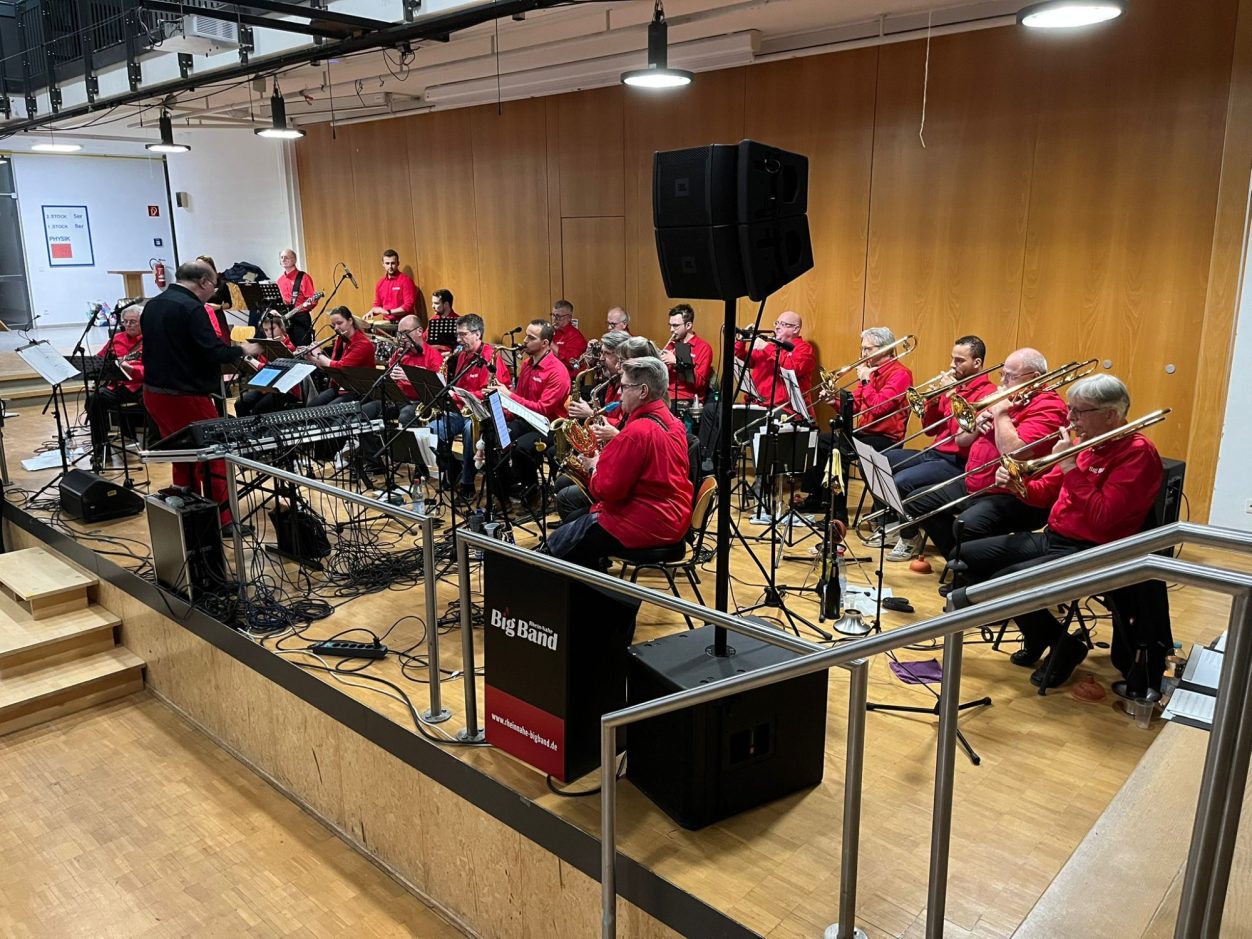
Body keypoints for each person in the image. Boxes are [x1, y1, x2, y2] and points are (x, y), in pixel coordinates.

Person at [955, 375, 1168, 691]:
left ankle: (1064, 647)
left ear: (1111, 414)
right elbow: (1045, 493)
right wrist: (1018, 485)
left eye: (1080, 412)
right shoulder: (1084, 444)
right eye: (1070, 409)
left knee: (1005, 585)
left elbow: (1103, 519)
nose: (1070, 419)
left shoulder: (1137, 453)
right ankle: (1045, 636)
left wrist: (1071, 467)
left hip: (1094, 550)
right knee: (964, 556)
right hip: (1055, 537)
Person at [906, 348, 1068, 560]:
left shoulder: (1050, 407)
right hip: (975, 482)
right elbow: (961, 439)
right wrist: (976, 425)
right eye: (1003, 374)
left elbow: (1014, 453)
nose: (1002, 381)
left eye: (1010, 376)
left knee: (968, 525)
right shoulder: (1005, 397)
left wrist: (1001, 414)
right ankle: (959, 561)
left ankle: (970, 571)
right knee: (915, 501)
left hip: (1010, 493)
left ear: (1035, 378)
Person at [141, 260, 259, 534]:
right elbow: (212, 352)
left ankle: (188, 505)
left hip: (154, 392)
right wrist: (244, 350)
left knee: (183, 452)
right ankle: (223, 520)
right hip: (184, 395)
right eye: (213, 286)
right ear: (204, 283)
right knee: (216, 451)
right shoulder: (192, 308)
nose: (213, 293)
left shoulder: (154, 304)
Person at [546, 357, 693, 570]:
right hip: (673, 518)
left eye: (624, 387)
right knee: (575, 532)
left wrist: (593, 465)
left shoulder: (637, 432)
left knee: (564, 545)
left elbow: (606, 491)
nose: (620, 393)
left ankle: (589, 594)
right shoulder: (674, 423)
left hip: (649, 522)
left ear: (643, 391)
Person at [885, 336, 998, 561]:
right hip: (934, 452)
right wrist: (934, 401)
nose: (952, 365)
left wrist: (954, 396)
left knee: (901, 481)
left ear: (977, 363)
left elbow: (962, 436)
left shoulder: (988, 393)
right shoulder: (955, 386)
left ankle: (909, 536)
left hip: (958, 461)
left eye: (959, 360)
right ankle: (901, 522)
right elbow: (929, 430)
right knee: (882, 461)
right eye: (952, 359)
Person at [430, 313, 513, 500]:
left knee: (469, 431)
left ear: (477, 334)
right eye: (458, 335)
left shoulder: (490, 357)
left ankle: (467, 482)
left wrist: (458, 394)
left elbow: (489, 391)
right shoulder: (463, 356)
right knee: (434, 427)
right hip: (462, 410)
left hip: (484, 413)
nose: (459, 339)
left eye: (463, 334)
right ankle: (451, 471)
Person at [554, 331, 630, 523]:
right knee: (563, 481)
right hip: (606, 451)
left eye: (605, 354)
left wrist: (591, 415)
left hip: (615, 461)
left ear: (619, 356)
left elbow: (623, 426)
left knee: (565, 493)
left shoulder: (628, 386)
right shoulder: (611, 381)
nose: (601, 358)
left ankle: (580, 526)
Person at [358, 315, 444, 479]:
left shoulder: (433, 356)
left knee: (406, 417)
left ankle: (421, 466)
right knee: (362, 413)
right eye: (400, 334)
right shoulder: (399, 354)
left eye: (406, 333)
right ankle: (375, 462)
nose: (402, 338)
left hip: (420, 402)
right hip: (396, 398)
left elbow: (436, 389)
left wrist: (409, 377)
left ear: (419, 331)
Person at [500, 319, 571, 503]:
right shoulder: (526, 365)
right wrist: (504, 413)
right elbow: (520, 398)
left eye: (531, 338)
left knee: (521, 448)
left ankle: (533, 492)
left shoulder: (557, 371)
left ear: (545, 343)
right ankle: (507, 491)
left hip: (548, 427)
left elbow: (543, 409)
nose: (524, 341)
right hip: (527, 420)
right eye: (526, 336)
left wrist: (508, 395)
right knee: (496, 435)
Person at [87, 304, 145, 469]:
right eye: (125, 322)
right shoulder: (117, 338)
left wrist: (131, 369)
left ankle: (151, 443)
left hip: (139, 386)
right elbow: (99, 360)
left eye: (133, 322)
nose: (128, 325)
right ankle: (101, 448)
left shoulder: (151, 340)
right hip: (117, 386)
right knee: (94, 400)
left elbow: (153, 369)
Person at [733, 311, 816, 411]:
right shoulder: (771, 346)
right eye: (776, 323)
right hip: (757, 405)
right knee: (714, 411)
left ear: (796, 329)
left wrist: (766, 347)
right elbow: (743, 359)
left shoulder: (804, 348)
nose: (777, 327)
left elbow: (792, 369)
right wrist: (742, 339)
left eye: (783, 324)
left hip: (784, 410)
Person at [308, 307, 376, 406]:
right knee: (312, 406)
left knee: (328, 410)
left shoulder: (363, 344)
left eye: (339, 323)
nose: (336, 328)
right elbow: (330, 368)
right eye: (334, 325)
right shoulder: (340, 339)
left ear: (350, 321)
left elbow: (341, 367)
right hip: (341, 387)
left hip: (359, 390)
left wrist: (319, 354)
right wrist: (309, 357)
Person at [235, 314, 298, 417]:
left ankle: (262, 431)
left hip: (283, 389)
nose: (269, 333)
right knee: (240, 403)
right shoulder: (265, 345)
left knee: (259, 410)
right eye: (266, 330)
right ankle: (247, 431)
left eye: (272, 328)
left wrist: (253, 361)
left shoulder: (289, 347)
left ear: (282, 328)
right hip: (266, 386)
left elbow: (275, 372)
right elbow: (260, 370)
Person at [660, 303, 713, 413]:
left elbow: (699, 383)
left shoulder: (703, 347)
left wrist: (676, 361)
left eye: (675, 326)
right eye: (670, 325)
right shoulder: (671, 345)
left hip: (687, 398)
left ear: (688, 325)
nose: (671, 329)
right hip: (666, 395)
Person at [275, 248, 315, 346]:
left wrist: (301, 308)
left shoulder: (304, 277)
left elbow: (312, 301)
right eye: (281, 258)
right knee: (288, 347)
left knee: (303, 348)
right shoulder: (279, 280)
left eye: (287, 257)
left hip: (301, 317)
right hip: (285, 318)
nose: (283, 259)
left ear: (294, 260)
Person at [367, 250, 418, 323]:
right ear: (383, 264)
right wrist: (372, 311)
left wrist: (389, 312)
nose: (390, 266)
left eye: (393, 263)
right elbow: (377, 304)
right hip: (387, 323)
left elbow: (408, 306)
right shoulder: (380, 283)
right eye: (387, 263)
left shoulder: (406, 281)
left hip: (404, 323)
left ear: (398, 263)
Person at [550, 299, 588, 378]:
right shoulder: (551, 331)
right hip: (550, 374)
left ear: (569, 318)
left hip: (567, 378)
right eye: (553, 315)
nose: (554, 319)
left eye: (558, 316)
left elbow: (571, 362)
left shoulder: (576, 337)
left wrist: (550, 344)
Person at [426, 288, 457, 352]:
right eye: (433, 303)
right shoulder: (433, 319)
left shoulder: (459, 321)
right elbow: (424, 339)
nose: (433, 306)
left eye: (436, 303)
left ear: (446, 304)